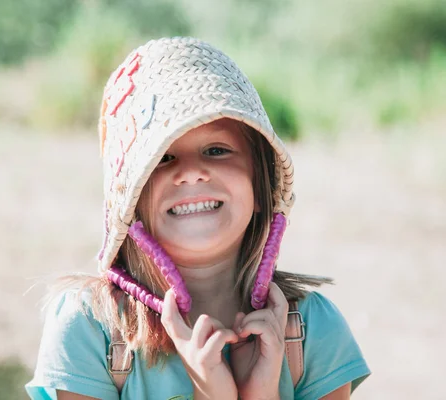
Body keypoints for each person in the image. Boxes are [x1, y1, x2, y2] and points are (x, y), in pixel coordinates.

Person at [25, 37, 370, 400]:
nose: (192, 173)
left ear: (260, 187)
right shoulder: (92, 327)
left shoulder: (311, 331)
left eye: (217, 150)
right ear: (130, 203)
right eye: (163, 158)